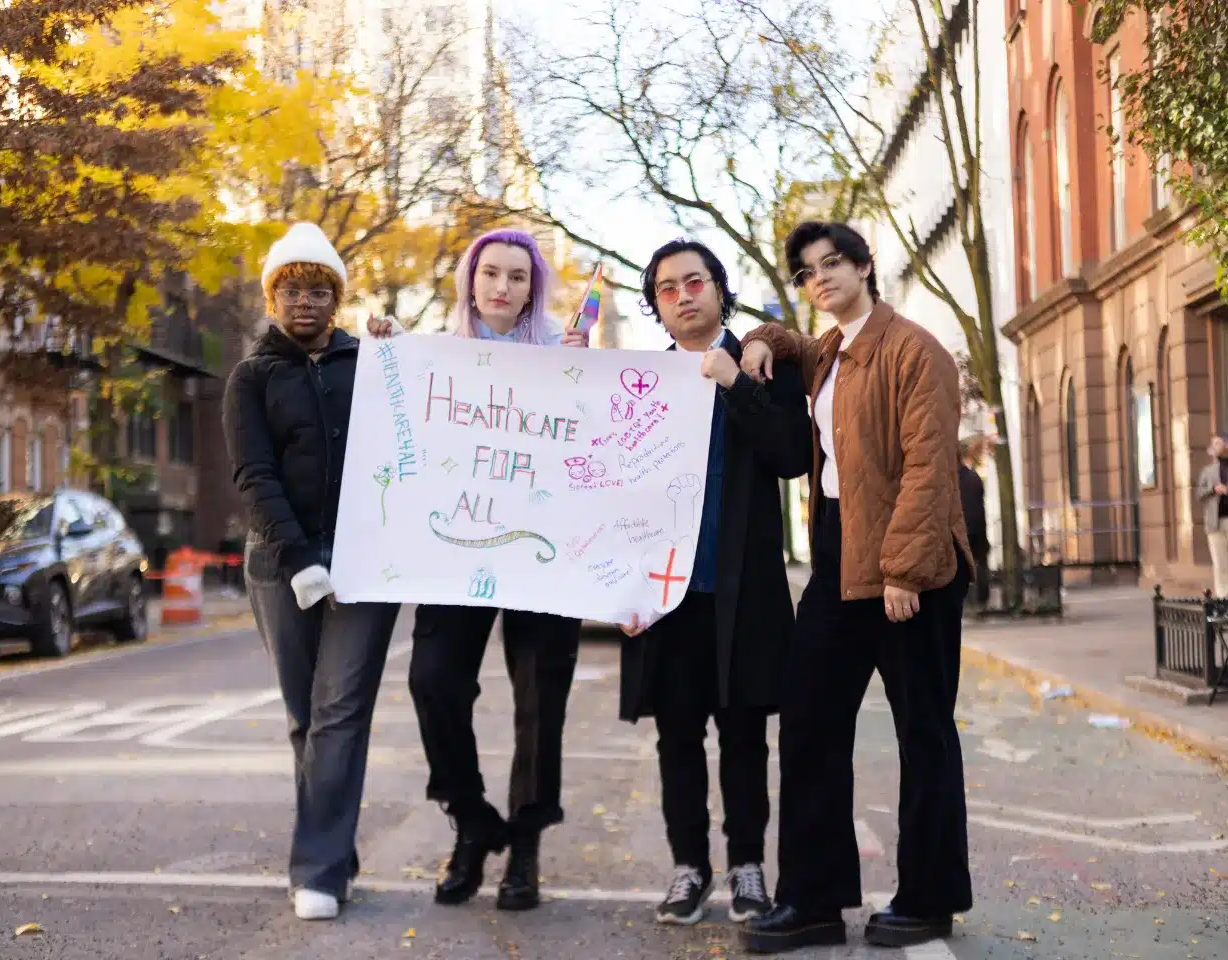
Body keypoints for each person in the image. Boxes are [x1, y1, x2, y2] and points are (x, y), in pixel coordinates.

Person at [736, 221, 974, 953]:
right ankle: (812, 900)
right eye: (808, 272)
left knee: (924, 735)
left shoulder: (914, 350)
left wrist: (903, 569)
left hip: (914, 568)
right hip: (839, 559)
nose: (821, 279)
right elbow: (789, 342)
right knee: (808, 724)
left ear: (866, 265)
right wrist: (758, 341)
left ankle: (928, 900)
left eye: (833, 263)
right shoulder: (831, 351)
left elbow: (931, 467)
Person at [366, 228, 587, 911]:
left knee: (540, 700)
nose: (502, 287)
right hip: (456, 549)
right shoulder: (437, 351)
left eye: (518, 277)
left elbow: (596, 448)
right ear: (469, 279)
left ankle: (524, 844)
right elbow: (400, 428)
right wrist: (386, 351)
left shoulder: (565, 352)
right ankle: (471, 819)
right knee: (432, 679)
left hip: (544, 554)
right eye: (490, 273)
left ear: (534, 287)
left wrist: (584, 377)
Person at [617, 239, 812, 927]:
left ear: (719, 289)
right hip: (666, 596)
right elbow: (615, 497)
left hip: (745, 593)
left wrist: (734, 381)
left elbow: (792, 457)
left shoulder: (764, 367)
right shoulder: (638, 387)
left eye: (694, 281)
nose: (683, 295)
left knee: (744, 736)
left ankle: (748, 868)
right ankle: (688, 867)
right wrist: (618, 589)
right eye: (667, 289)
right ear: (657, 309)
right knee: (676, 738)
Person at [223, 222, 403, 921]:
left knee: (339, 713)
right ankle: (333, 844)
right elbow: (252, 473)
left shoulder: (372, 362)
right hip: (280, 565)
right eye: (291, 289)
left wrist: (399, 353)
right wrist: (298, 559)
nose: (305, 301)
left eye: (319, 290)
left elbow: (419, 423)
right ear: (272, 299)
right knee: (306, 717)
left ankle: (319, 871)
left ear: (336, 300)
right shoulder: (251, 377)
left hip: (366, 563)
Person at [1197, 434, 1228, 598]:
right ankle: (1223, 599)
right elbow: (1199, 494)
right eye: (1212, 443)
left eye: (1217, 443)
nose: (1213, 446)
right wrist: (1213, 490)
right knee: (1220, 563)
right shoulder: (1207, 471)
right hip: (1214, 522)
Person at [958, 436, 990, 613]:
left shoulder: (953, 479)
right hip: (977, 529)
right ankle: (981, 601)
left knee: (963, 569)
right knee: (980, 566)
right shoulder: (973, 477)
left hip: (961, 532)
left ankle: (970, 602)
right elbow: (980, 507)